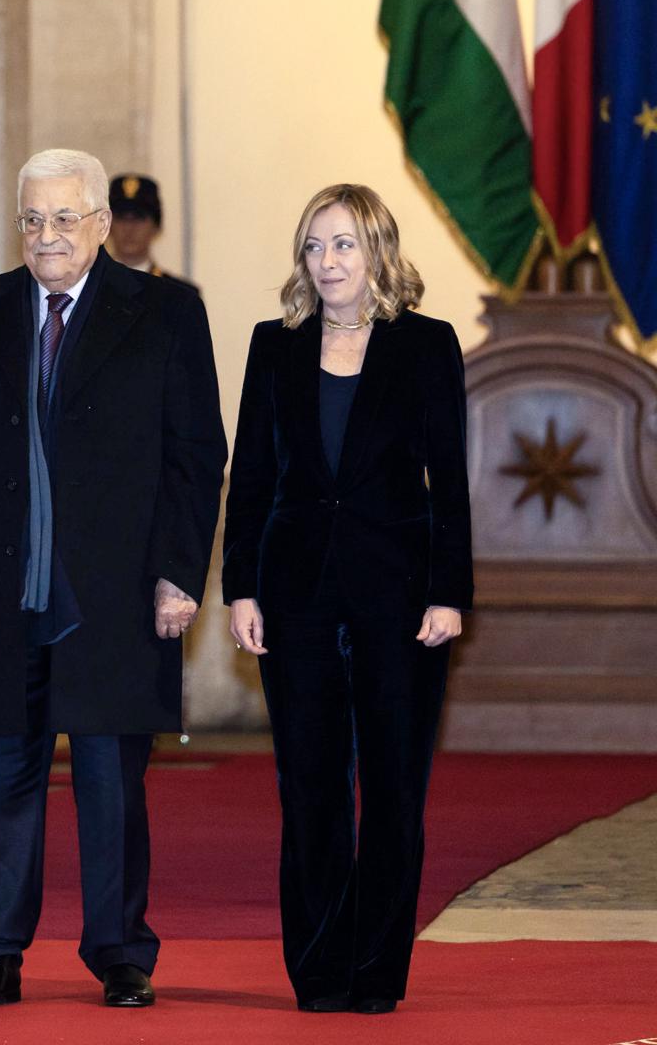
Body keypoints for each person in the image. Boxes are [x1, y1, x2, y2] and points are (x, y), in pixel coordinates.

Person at [0, 147, 227, 1012]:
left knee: (109, 782)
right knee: (0, 778)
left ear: (99, 224)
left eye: (63, 219)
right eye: (32, 220)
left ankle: (121, 953)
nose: (47, 236)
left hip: (118, 592)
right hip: (0, 590)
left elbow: (196, 457)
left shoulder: (165, 313)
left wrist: (178, 573)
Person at [222, 183, 470, 1015]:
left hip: (401, 599)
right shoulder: (273, 344)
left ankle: (377, 970)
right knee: (310, 786)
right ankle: (321, 967)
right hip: (292, 596)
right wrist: (240, 586)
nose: (326, 262)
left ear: (377, 253)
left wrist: (448, 592)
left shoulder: (427, 345)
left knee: (395, 788)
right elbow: (251, 476)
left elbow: (451, 483)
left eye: (343, 246)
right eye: (314, 247)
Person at [104, 173, 197, 292]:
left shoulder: (182, 295)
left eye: (139, 218)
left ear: (156, 227)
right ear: (106, 225)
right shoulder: (87, 286)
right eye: (121, 217)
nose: (129, 227)